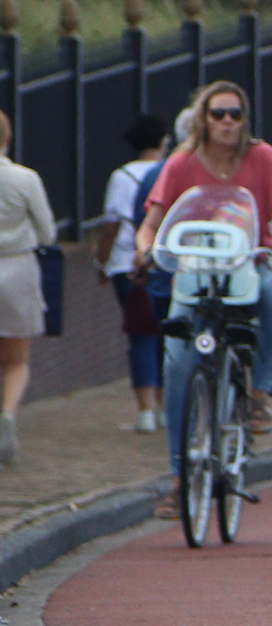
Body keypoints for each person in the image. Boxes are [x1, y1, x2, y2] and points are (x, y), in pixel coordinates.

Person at [137, 83, 272, 512]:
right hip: (196, 272)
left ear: (246, 119)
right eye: (218, 114)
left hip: (249, 263)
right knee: (176, 368)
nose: (227, 122)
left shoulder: (263, 157)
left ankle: (259, 393)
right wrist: (144, 248)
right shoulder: (181, 164)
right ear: (202, 119)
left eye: (235, 114)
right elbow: (151, 222)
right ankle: (177, 478)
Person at [93, 115, 167, 437]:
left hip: (128, 265)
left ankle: (145, 411)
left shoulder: (121, 177)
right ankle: (165, 406)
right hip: (165, 263)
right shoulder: (169, 171)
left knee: (140, 334)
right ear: (163, 141)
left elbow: (111, 226)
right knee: (169, 333)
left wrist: (102, 264)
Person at [0, 111, 58, 467]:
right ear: (7, 138)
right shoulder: (25, 179)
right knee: (17, 358)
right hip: (17, 268)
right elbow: (49, 232)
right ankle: (7, 414)